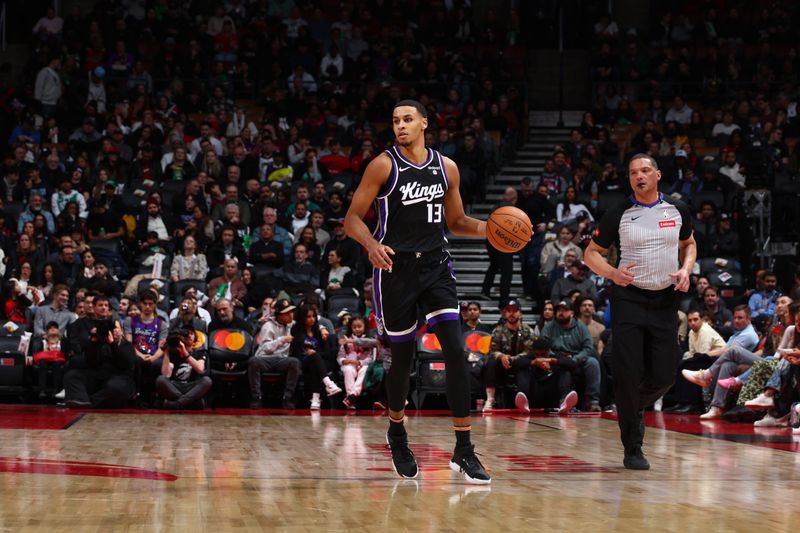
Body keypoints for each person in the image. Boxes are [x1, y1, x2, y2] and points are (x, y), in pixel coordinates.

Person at [344, 99, 491, 483]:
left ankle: (464, 449)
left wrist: (490, 229)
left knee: (457, 351)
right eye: (395, 120)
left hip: (436, 265)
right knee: (403, 359)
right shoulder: (383, 165)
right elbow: (352, 219)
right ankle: (396, 431)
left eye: (408, 119)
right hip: (395, 267)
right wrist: (371, 245)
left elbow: (456, 221)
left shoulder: (447, 168)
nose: (400, 126)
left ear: (425, 123)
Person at [584, 153, 696, 470]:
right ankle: (633, 447)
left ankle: (629, 407)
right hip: (628, 299)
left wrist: (686, 269)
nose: (639, 176)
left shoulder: (678, 209)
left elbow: (689, 244)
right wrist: (612, 274)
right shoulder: (618, 212)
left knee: (664, 376)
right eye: (633, 172)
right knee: (628, 375)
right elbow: (591, 254)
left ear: (658, 175)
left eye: (645, 170)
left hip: (665, 300)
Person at [540, 300, 602, 411]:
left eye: (564, 310)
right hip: (558, 358)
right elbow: (543, 347)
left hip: (578, 357)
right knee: (564, 365)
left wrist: (576, 358)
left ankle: (593, 401)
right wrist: (556, 357)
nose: (561, 313)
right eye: (559, 310)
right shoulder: (549, 327)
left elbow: (588, 347)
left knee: (593, 362)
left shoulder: (580, 326)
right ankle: (565, 401)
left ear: (572, 313)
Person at [248, 299, 301, 409]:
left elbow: (308, 325)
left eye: (291, 312)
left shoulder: (293, 325)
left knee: (295, 362)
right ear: (279, 314)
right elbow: (266, 348)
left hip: (282, 360)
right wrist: (282, 340)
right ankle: (256, 397)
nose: (291, 315)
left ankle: (287, 398)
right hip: (265, 359)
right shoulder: (268, 326)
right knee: (254, 361)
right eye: (287, 313)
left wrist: (322, 328)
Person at [157, 327, 212, 409]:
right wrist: (166, 352)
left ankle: (176, 404)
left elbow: (200, 369)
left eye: (192, 333)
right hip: (175, 386)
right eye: (186, 334)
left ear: (195, 338)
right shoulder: (173, 352)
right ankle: (192, 403)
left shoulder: (200, 353)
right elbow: (166, 375)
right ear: (180, 338)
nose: (189, 336)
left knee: (207, 381)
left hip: (192, 387)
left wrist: (185, 353)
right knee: (160, 379)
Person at [337, 316, 377, 409]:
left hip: (363, 365)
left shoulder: (369, 340)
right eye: (354, 327)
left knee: (365, 370)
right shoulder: (347, 339)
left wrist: (359, 362)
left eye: (359, 326)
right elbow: (340, 356)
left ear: (364, 327)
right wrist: (343, 361)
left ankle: (352, 397)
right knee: (348, 370)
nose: (357, 329)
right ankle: (351, 399)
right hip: (350, 365)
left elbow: (372, 358)